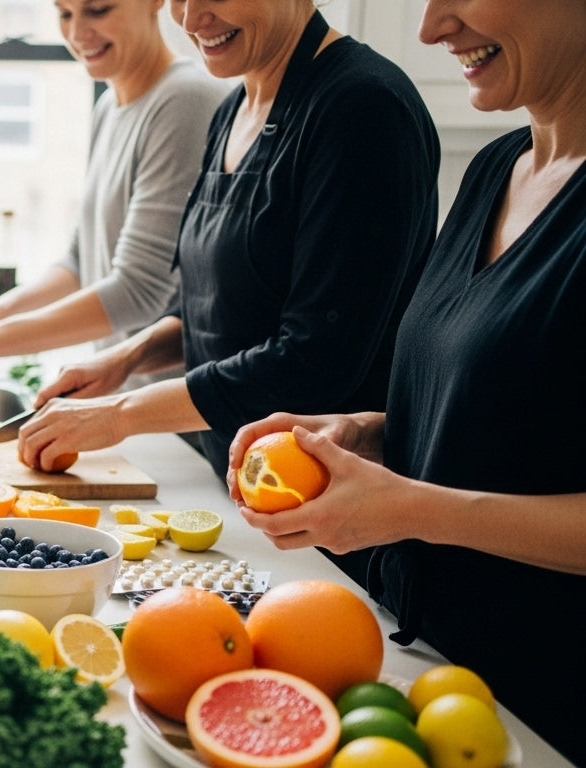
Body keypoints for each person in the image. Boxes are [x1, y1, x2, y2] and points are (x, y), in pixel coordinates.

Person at [228, 1, 586, 761]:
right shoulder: (498, 167)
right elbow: (507, 416)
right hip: (431, 677)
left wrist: (413, 510)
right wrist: (365, 432)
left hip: (551, 711)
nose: (431, 28)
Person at [17, 0, 440, 478]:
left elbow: (315, 359)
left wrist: (121, 415)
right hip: (240, 481)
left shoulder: (363, 108)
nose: (192, 19)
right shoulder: (233, 110)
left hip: (324, 505)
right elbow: (226, 306)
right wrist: (129, 357)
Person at [0, 0, 228, 397]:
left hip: (174, 416)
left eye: (98, 10)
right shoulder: (111, 105)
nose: (77, 34)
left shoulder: (184, 100)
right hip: (125, 404)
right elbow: (79, 263)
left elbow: (138, 291)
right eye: (65, 14)